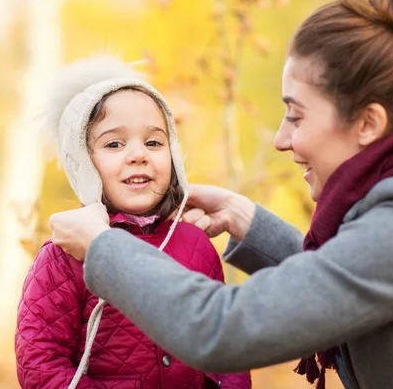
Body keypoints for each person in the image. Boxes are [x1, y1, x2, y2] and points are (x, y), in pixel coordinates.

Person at [47, 0, 393, 388]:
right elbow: (346, 283)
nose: (280, 138)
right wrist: (245, 220)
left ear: (368, 123)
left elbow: (222, 329)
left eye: (295, 115)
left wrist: (102, 247)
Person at [14, 56, 252, 389]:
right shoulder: (64, 255)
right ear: (84, 162)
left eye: (154, 142)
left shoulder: (196, 244)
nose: (138, 154)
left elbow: (226, 346)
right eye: (114, 144)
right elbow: (40, 363)